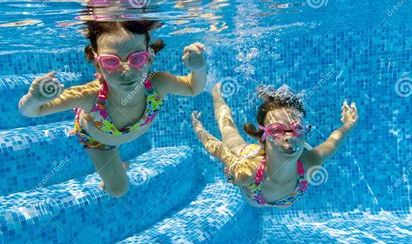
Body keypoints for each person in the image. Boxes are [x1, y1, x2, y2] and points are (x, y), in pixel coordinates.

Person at [19, 20, 206, 197]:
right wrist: (33, 99)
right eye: (111, 62)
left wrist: (198, 69)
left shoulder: (158, 83)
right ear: (98, 64)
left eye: (137, 59)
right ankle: (112, 170)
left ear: (149, 59)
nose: (126, 70)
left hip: (122, 132)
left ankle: (117, 163)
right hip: (98, 140)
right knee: (118, 190)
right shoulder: (89, 96)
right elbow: (31, 111)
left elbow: (193, 87)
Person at [191, 83, 358, 208]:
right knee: (228, 131)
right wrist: (199, 129)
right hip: (249, 158)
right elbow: (219, 151)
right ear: (264, 134)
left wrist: (349, 123)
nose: (288, 136)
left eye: (297, 128)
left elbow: (333, 141)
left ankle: (284, 117)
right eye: (276, 129)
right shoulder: (246, 173)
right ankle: (215, 91)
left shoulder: (309, 162)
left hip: (275, 165)